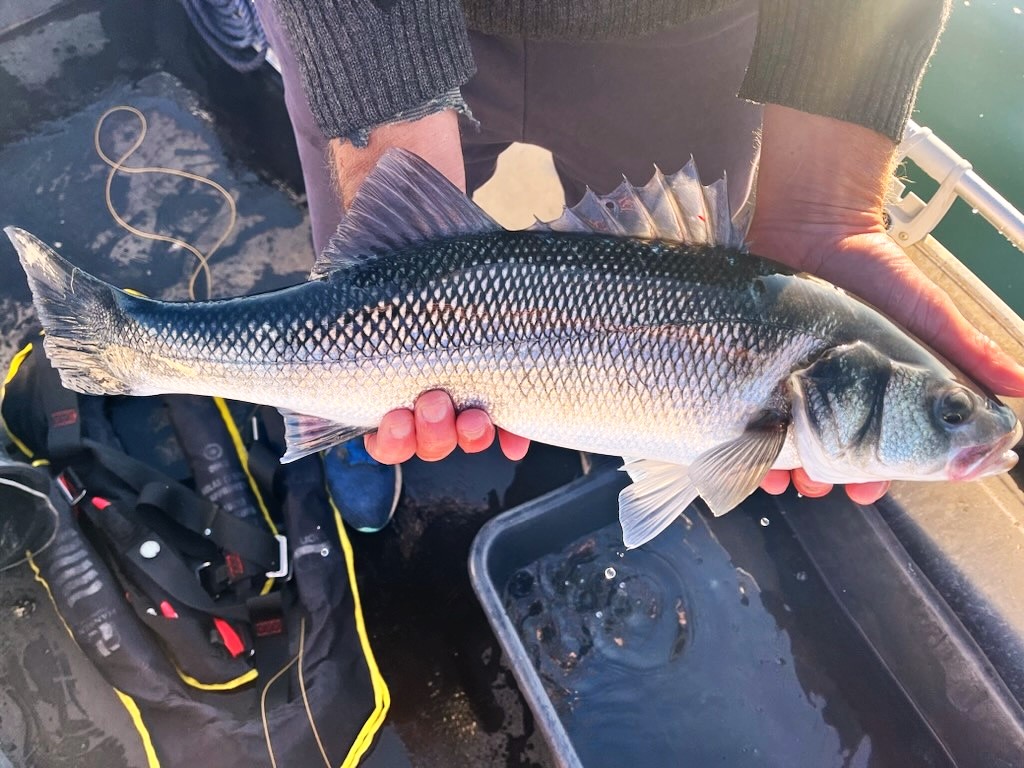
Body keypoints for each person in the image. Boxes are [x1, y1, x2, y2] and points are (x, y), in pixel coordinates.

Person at [254, 0, 1024, 525]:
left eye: (946, 409)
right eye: (947, 410)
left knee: (681, 226)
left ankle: (346, 404)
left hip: (684, 29)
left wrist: (824, 205)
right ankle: (343, 418)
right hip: (373, 26)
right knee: (380, 289)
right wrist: (384, 118)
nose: (962, 426)